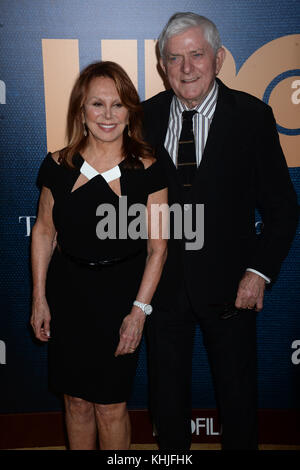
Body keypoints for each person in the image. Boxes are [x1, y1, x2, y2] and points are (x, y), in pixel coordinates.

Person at [142, 12, 299, 450]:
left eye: (197, 55)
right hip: (163, 291)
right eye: (175, 58)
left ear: (220, 58)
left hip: (233, 289)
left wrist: (259, 273)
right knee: (166, 407)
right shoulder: (143, 118)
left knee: (239, 405)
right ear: (162, 65)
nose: (187, 67)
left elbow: (283, 209)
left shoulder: (252, 117)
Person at [30, 61, 168, 450]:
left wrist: (139, 312)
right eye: (97, 104)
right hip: (67, 296)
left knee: (110, 406)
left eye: (118, 105)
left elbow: (159, 247)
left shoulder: (148, 169)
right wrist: (39, 298)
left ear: (130, 112)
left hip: (120, 300)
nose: (108, 115)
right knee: (75, 402)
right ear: (81, 110)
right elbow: (43, 231)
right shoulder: (58, 165)